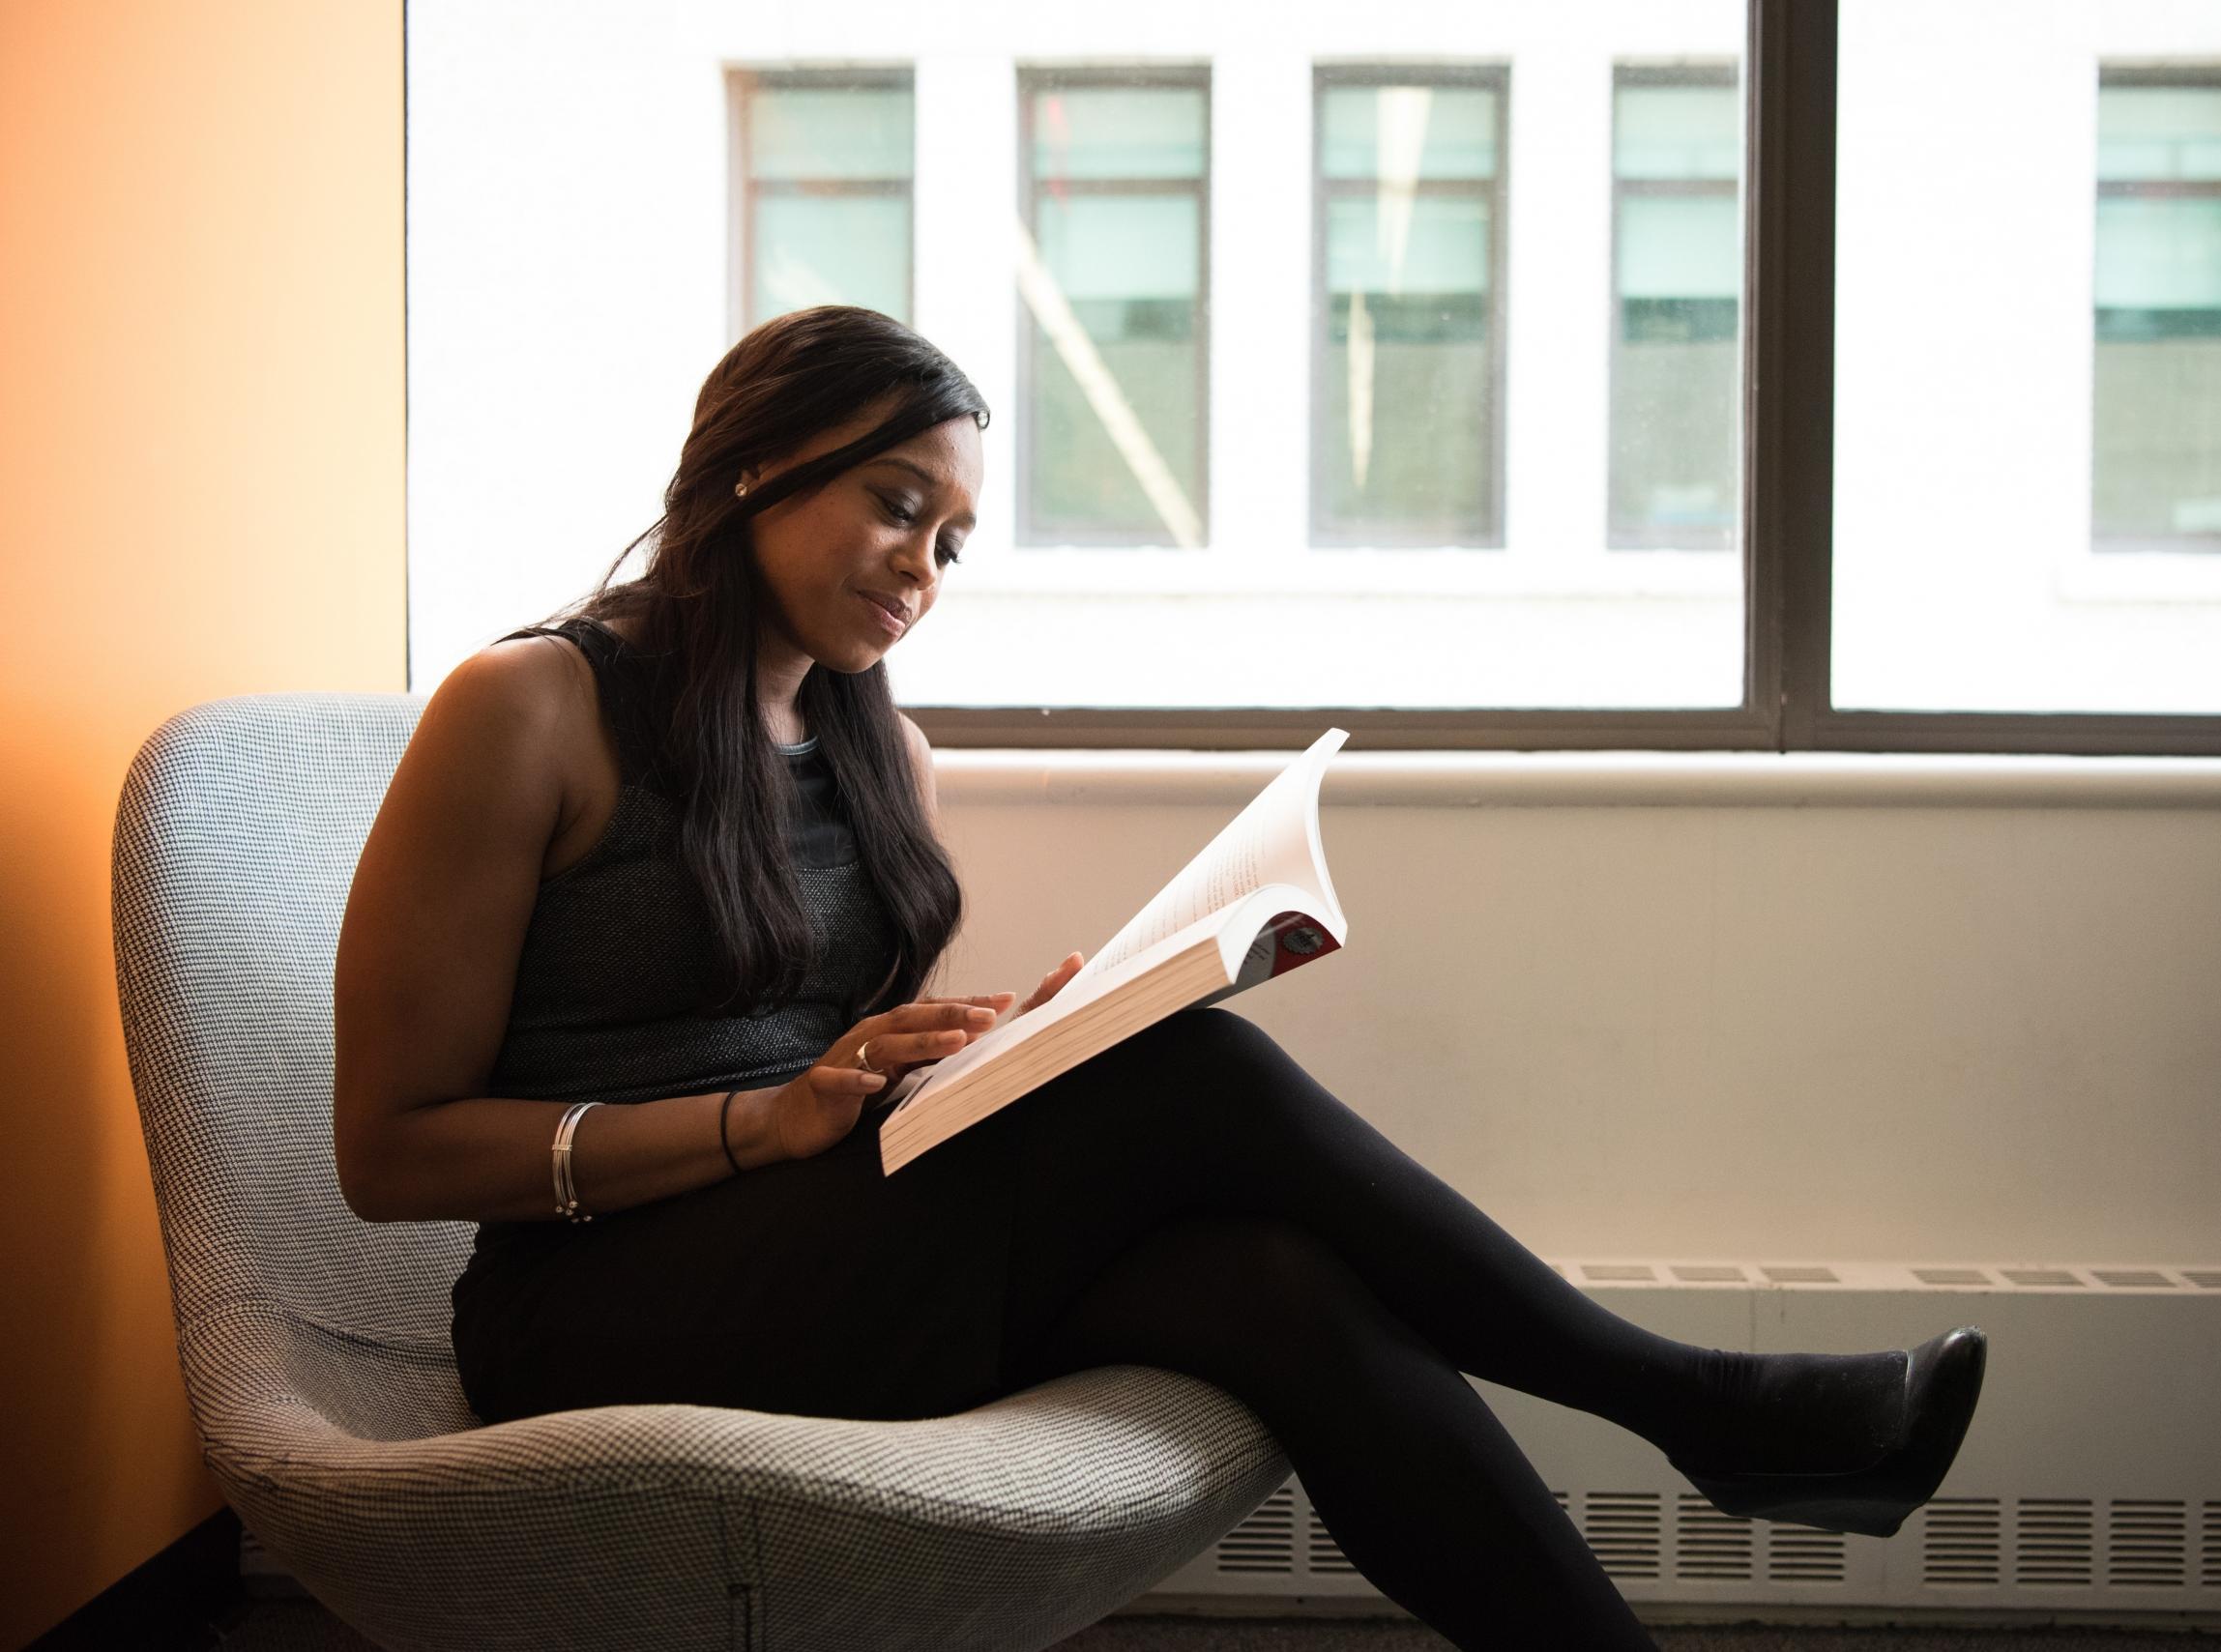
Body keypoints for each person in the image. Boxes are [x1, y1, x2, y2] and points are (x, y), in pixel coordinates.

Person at [332, 304, 1987, 1652]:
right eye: (898, 502)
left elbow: (828, 1067)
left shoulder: (876, 747)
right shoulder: (531, 709)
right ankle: (1698, 1404)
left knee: (1270, 1282)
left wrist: (969, 1051)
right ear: (755, 464)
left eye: (955, 540)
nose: (923, 564)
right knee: (1193, 1081)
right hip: (589, 1308)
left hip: (812, 1258)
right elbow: (391, 1148)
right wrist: (760, 1120)